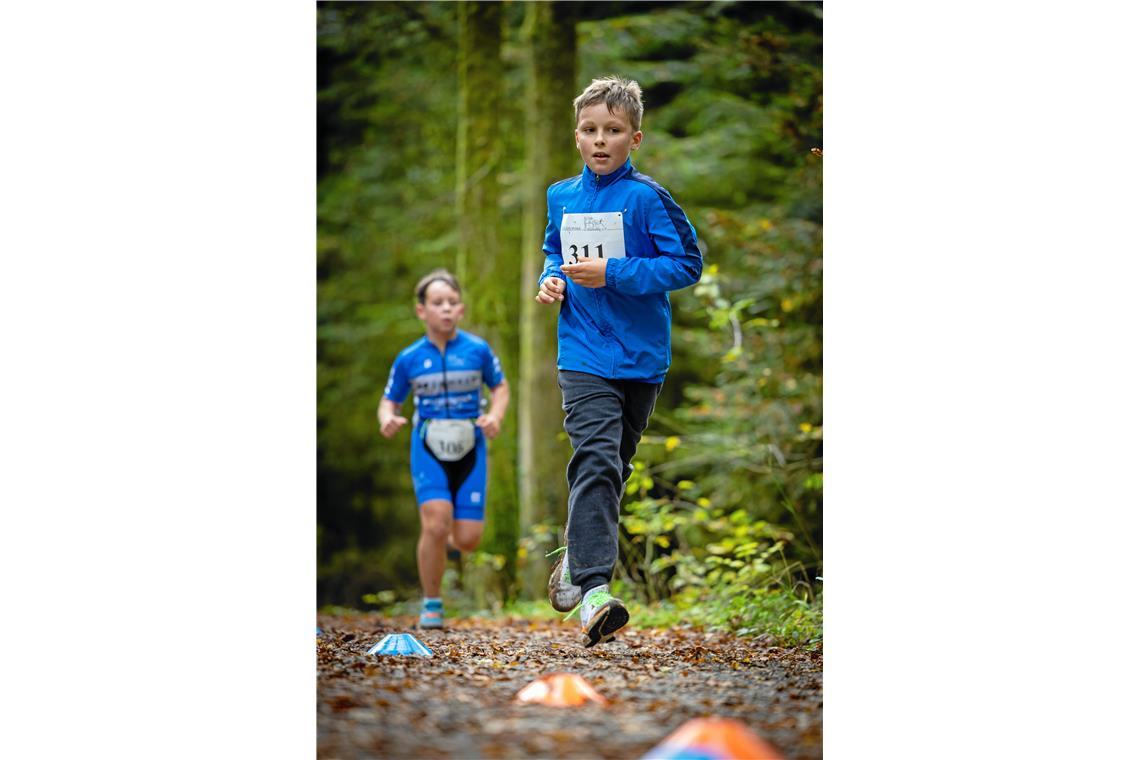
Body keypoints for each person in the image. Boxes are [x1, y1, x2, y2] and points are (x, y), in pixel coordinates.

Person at [534, 76, 703, 647]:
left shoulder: (647, 198)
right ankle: (596, 592)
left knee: (612, 468)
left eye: (612, 131)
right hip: (582, 350)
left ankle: (576, 551)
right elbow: (555, 252)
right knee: (597, 458)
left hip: (641, 357)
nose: (599, 140)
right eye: (589, 130)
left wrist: (614, 273)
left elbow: (686, 265)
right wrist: (551, 281)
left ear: (636, 137)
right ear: (576, 135)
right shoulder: (562, 196)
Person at [378, 269, 510, 630]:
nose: (446, 309)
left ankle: (446, 532)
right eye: (438, 303)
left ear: (462, 309)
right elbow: (389, 401)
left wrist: (495, 417)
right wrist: (387, 418)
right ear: (422, 310)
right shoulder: (409, 358)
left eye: (452, 303)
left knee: (468, 540)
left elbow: (500, 388)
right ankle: (432, 604)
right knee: (435, 523)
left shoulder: (477, 350)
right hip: (428, 445)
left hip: (471, 444)